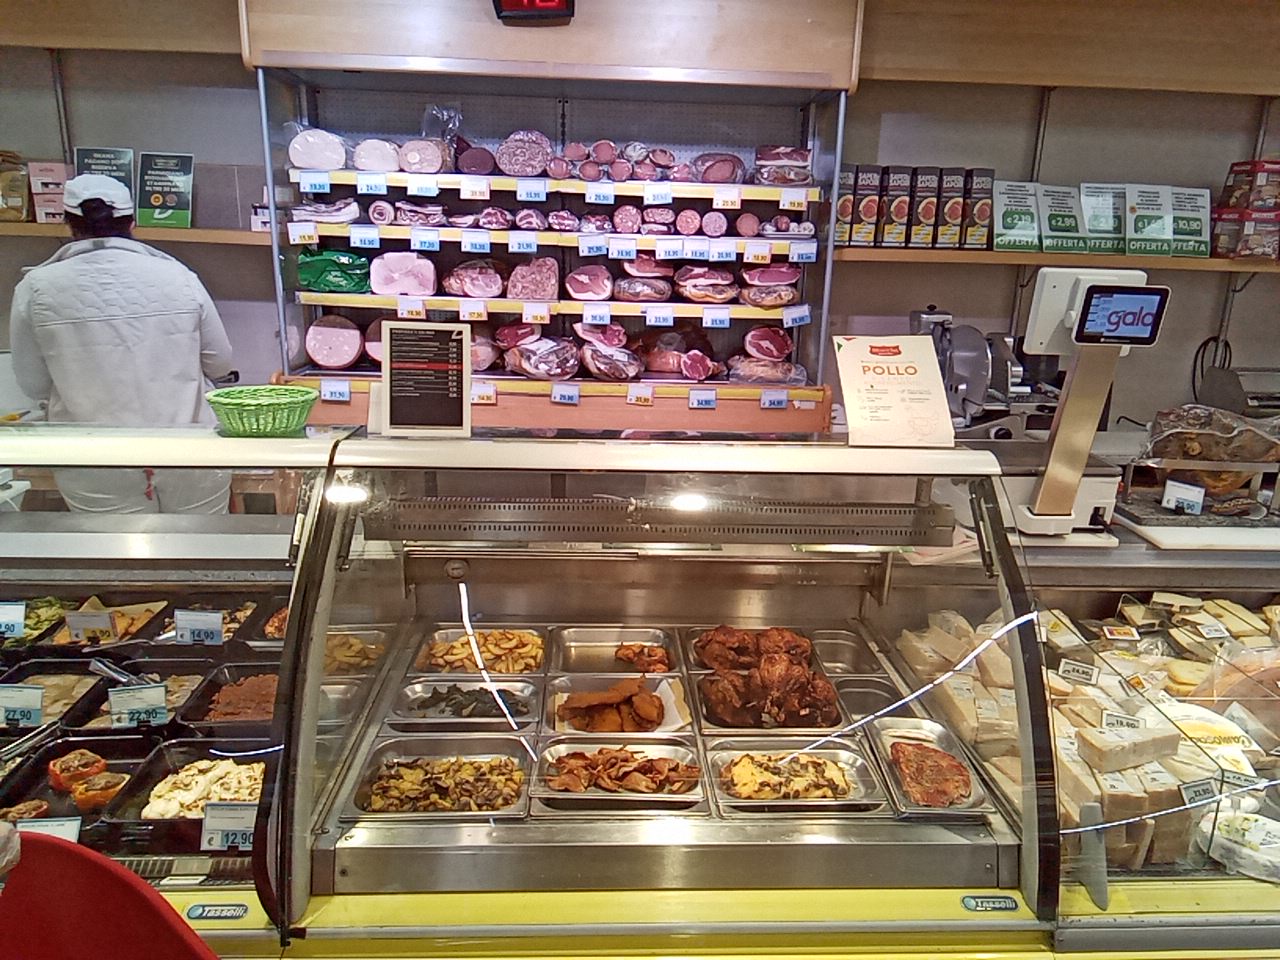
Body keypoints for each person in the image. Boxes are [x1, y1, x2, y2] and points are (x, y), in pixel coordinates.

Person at [8, 174, 235, 513]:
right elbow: (220, 363)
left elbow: (33, 384)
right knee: (200, 544)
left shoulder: (36, 287)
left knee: (115, 545)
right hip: (189, 453)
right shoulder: (178, 277)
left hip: (93, 460)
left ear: (68, 224)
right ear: (132, 222)